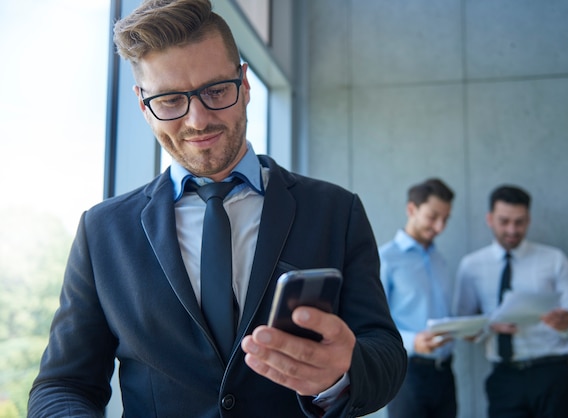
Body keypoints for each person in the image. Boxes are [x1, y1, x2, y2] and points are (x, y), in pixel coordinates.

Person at [27, 1, 407, 417]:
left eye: (216, 91)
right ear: (142, 104)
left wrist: (340, 375)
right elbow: (63, 385)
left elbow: (385, 352)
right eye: (171, 100)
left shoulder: (336, 210)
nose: (197, 120)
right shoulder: (102, 230)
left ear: (244, 84)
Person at [454, 185, 568, 418]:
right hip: (505, 379)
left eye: (520, 222)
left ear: (529, 219)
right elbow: (462, 325)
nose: (512, 229)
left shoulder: (554, 259)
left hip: (553, 374)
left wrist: (567, 323)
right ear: (490, 219)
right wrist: (488, 326)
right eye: (504, 221)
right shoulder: (471, 266)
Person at [379, 178, 457, 418]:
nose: (440, 227)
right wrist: (413, 342)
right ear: (411, 209)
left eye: (445, 219)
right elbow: (372, 326)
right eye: (433, 217)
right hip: (407, 374)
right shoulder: (385, 259)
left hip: (445, 373)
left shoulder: (439, 259)